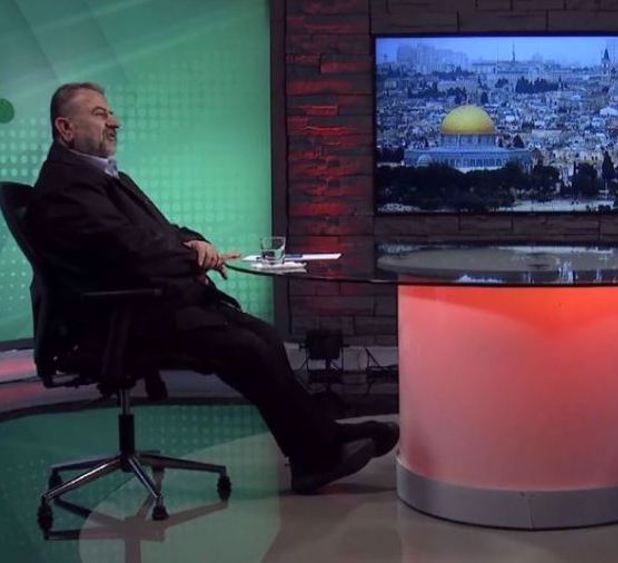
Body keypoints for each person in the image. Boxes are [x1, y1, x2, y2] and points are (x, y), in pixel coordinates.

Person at [26, 82, 398, 494]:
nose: (114, 121)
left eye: (110, 112)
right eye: (99, 114)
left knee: (263, 337)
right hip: (118, 322)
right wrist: (191, 259)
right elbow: (129, 252)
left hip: (151, 305)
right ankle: (316, 455)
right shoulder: (65, 191)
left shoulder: (105, 179)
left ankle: (318, 443)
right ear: (65, 128)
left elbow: (160, 232)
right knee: (248, 348)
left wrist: (193, 241)